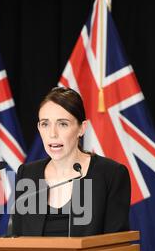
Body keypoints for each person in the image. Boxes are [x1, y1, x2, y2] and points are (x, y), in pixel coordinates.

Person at [11, 86, 131, 237]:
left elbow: (115, 248)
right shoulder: (27, 174)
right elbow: (16, 241)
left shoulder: (111, 174)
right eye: (45, 124)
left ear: (81, 128)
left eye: (63, 124)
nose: (52, 134)